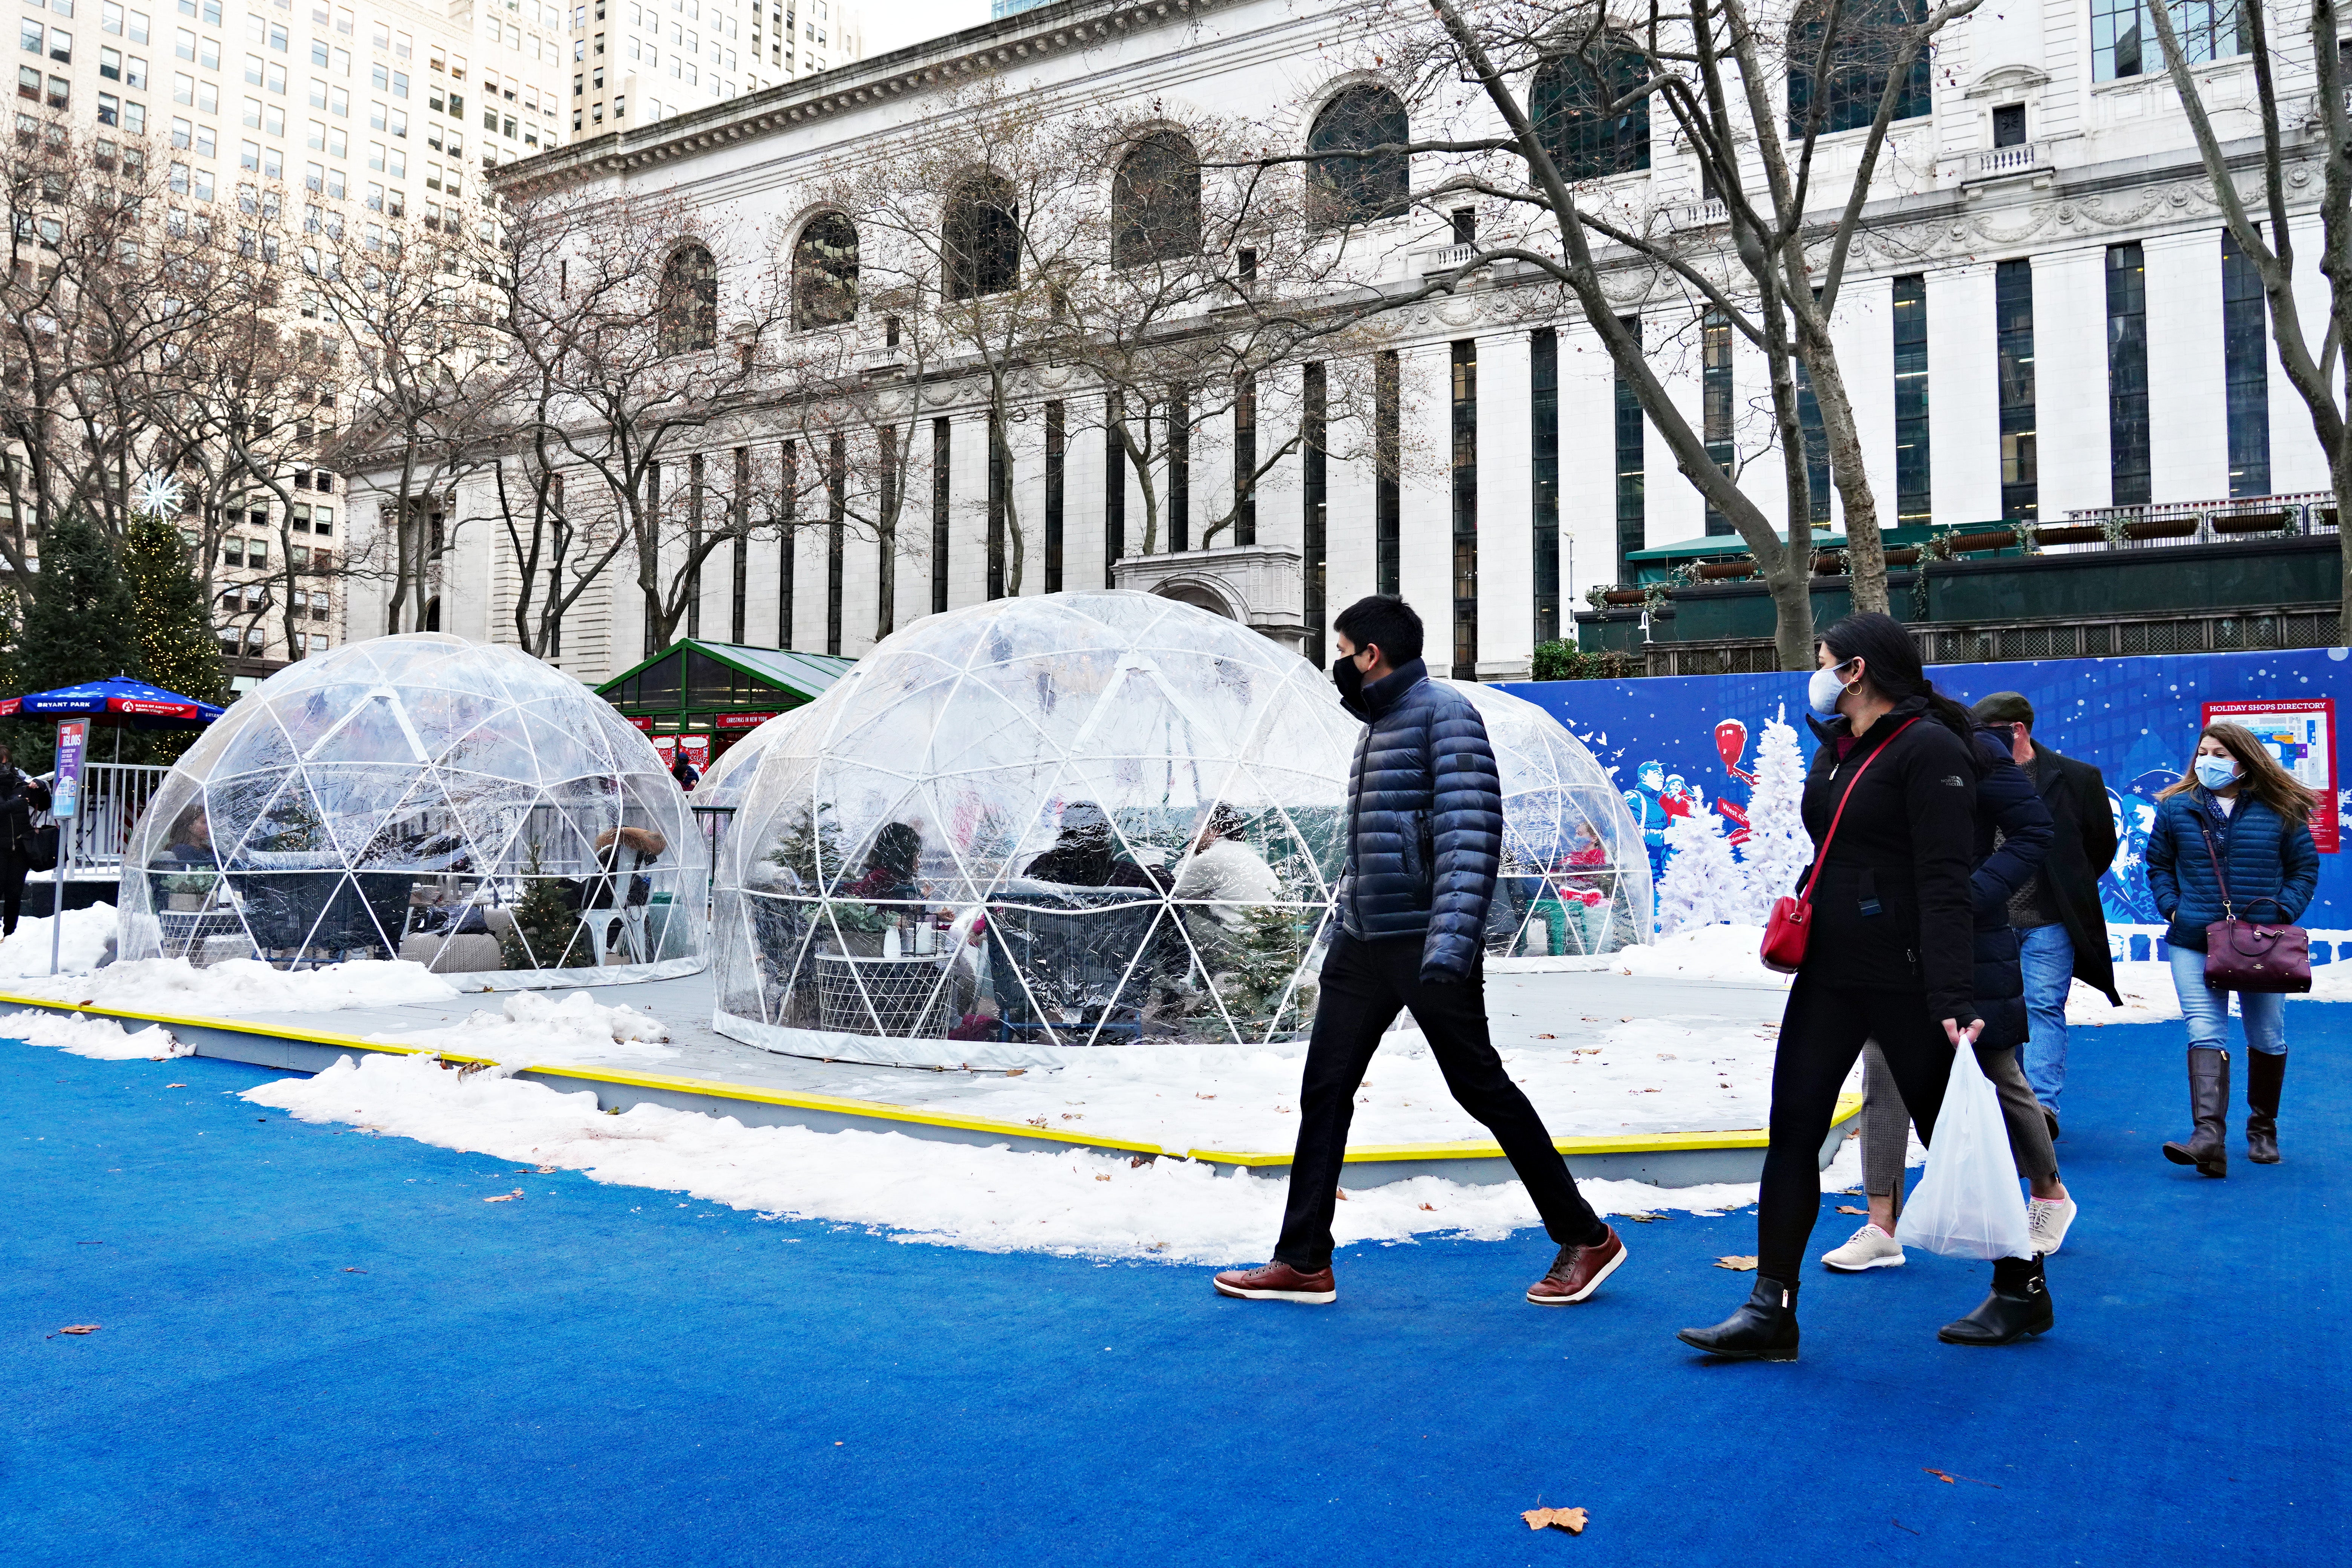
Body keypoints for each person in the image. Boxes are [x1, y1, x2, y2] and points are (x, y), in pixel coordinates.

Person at [1213, 596, 1625, 1307]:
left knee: (1480, 1088)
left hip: (1427, 943)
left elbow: (1471, 836)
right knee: (1324, 1091)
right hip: (1365, 940)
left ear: (1371, 655)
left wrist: (1452, 943)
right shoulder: (1376, 727)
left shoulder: (1444, 715)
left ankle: (1585, 1236)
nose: (1335, 666)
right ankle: (1304, 1260)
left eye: (1341, 651)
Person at [1680, 612, 2046, 1362]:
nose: (1814, 674)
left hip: (1907, 977)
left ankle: (2022, 1289)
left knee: (1952, 1134)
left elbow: (1945, 881)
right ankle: (1770, 1308)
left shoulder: (1932, 749)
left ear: (1857, 671)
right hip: (1830, 970)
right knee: (1793, 1130)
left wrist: (1952, 999)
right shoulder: (1838, 750)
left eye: (1823, 661)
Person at [1821, 715, 2080, 1281]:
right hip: (1890, 940)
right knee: (1882, 1076)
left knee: (1995, 1069)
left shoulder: (1971, 748)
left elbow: (2034, 831)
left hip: (1966, 941)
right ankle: (1883, 1224)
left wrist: (1971, 895)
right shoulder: (1864, 749)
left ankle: (2049, 1191)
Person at [2145, 722, 2319, 1174]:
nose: (2208, 761)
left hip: (2262, 942)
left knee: (2266, 1035)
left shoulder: (2283, 807)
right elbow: (2159, 865)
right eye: (2203, 751)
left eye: (2220, 752)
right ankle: (2209, 1138)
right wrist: (2173, 909)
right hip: (2193, 938)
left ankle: (2263, 1127)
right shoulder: (2176, 807)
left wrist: (2281, 912)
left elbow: (2303, 869)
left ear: (2243, 758)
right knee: (2204, 1031)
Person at [1967, 693, 2122, 1135]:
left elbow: (2099, 845)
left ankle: (2040, 1110)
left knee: (2044, 1007)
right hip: (1989, 917)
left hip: (2049, 920)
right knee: (1996, 1014)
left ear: (2018, 730)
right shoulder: (1972, 774)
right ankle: (2007, 1106)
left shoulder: (2075, 777)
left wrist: (2066, 885)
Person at [0, 747, 51, 938]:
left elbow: (44, 805)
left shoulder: (20, 783)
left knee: (14, 893)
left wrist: (42, 788)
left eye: (7, 762)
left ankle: (10, 934)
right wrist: (17, 803)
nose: (4, 766)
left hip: (20, 846)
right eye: (1, 762)